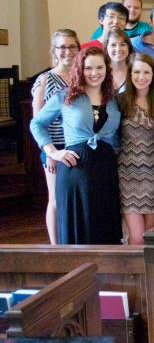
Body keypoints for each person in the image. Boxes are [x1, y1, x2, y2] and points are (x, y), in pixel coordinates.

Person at [30, 46, 122, 245]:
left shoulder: (113, 99)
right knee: (79, 228)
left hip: (105, 169)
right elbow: (37, 124)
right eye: (88, 68)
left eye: (99, 67)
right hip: (75, 168)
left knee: (104, 225)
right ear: (80, 69)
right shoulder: (65, 96)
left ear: (107, 69)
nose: (94, 73)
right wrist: (52, 151)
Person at [31, 29, 80, 244]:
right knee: (56, 200)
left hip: (77, 145)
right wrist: (49, 151)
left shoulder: (82, 76)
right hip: (55, 146)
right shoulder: (46, 79)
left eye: (72, 46)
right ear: (54, 50)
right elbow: (37, 121)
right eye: (62, 47)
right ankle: (56, 246)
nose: (67, 51)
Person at [118, 53, 154, 245]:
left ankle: (151, 276)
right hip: (128, 174)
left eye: (146, 72)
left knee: (150, 237)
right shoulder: (119, 101)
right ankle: (136, 275)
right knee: (136, 237)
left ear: (153, 75)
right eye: (136, 72)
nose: (141, 77)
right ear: (129, 74)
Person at [104, 27, 133, 93]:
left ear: (129, 47)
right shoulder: (100, 71)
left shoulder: (134, 71)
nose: (118, 49)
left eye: (122, 44)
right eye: (113, 45)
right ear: (106, 48)